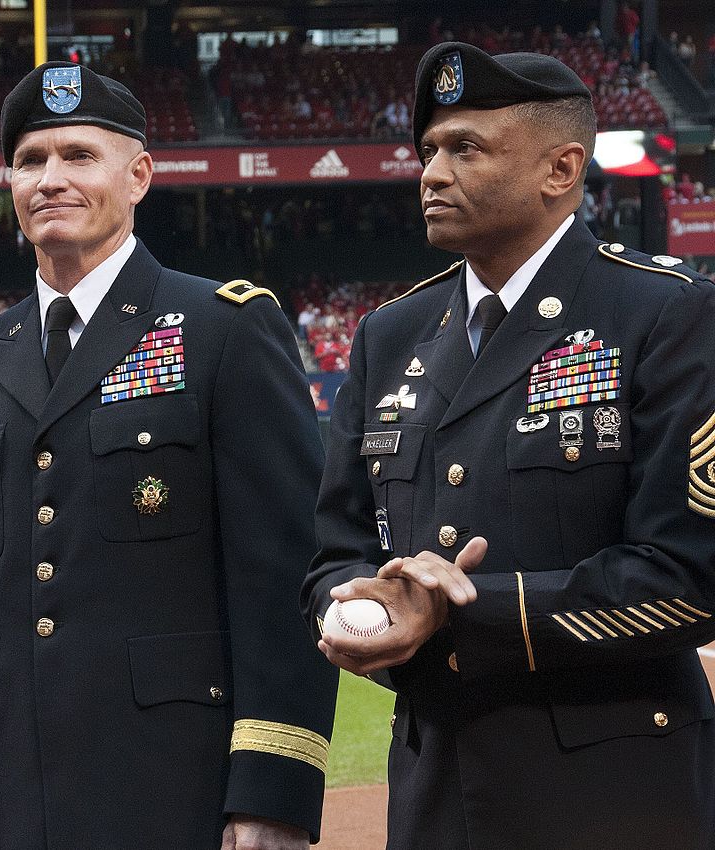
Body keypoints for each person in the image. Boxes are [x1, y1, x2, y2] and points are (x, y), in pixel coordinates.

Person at [0, 62, 336, 850]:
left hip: (173, 785)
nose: (50, 179)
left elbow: (281, 575)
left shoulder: (222, 328)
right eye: (30, 161)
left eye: (78, 156)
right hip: (6, 794)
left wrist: (273, 790)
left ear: (138, 177)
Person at [304, 42, 715, 849]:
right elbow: (333, 549)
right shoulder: (390, 335)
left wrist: (461, 612)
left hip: (617, 796)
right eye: (428, 150)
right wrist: (355, 606)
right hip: (434, 793)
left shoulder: (666, 315)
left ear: (559, 170)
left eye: (467, 148)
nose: (431, 171)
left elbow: (693, 577)